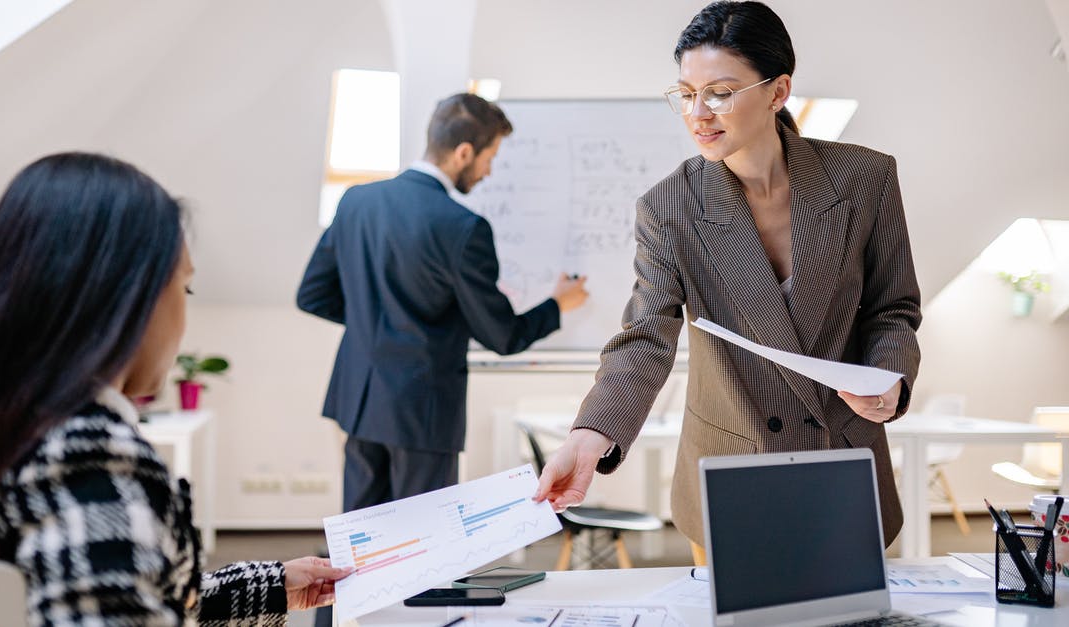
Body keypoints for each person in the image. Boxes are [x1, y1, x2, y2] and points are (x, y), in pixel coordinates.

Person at [0, 153, 350, 625]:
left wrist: (270, 586)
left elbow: (111, 589)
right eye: (184, 289)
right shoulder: (86, 460)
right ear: (127, 298)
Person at [534, 0, 921, 565]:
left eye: (720, 91)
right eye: (686, 94)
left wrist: (890, 380)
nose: (699, 113)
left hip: (843, 459)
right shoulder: (669, 207)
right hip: (731, 470)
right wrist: (589, 437)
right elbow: (646, 339)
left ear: (777, 90)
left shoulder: (864, 179)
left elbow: (894, 309)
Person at [298, 93, 590, 513]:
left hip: (358, 398)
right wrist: (558, 305)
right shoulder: (463, 228)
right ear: (464, 152)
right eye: (491, 157)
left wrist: (372, 317)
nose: (489, 172)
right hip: (422, 408)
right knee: (426, 544)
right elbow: (502, 336)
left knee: (361, 539)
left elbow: (312, 295)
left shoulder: (356, 201)